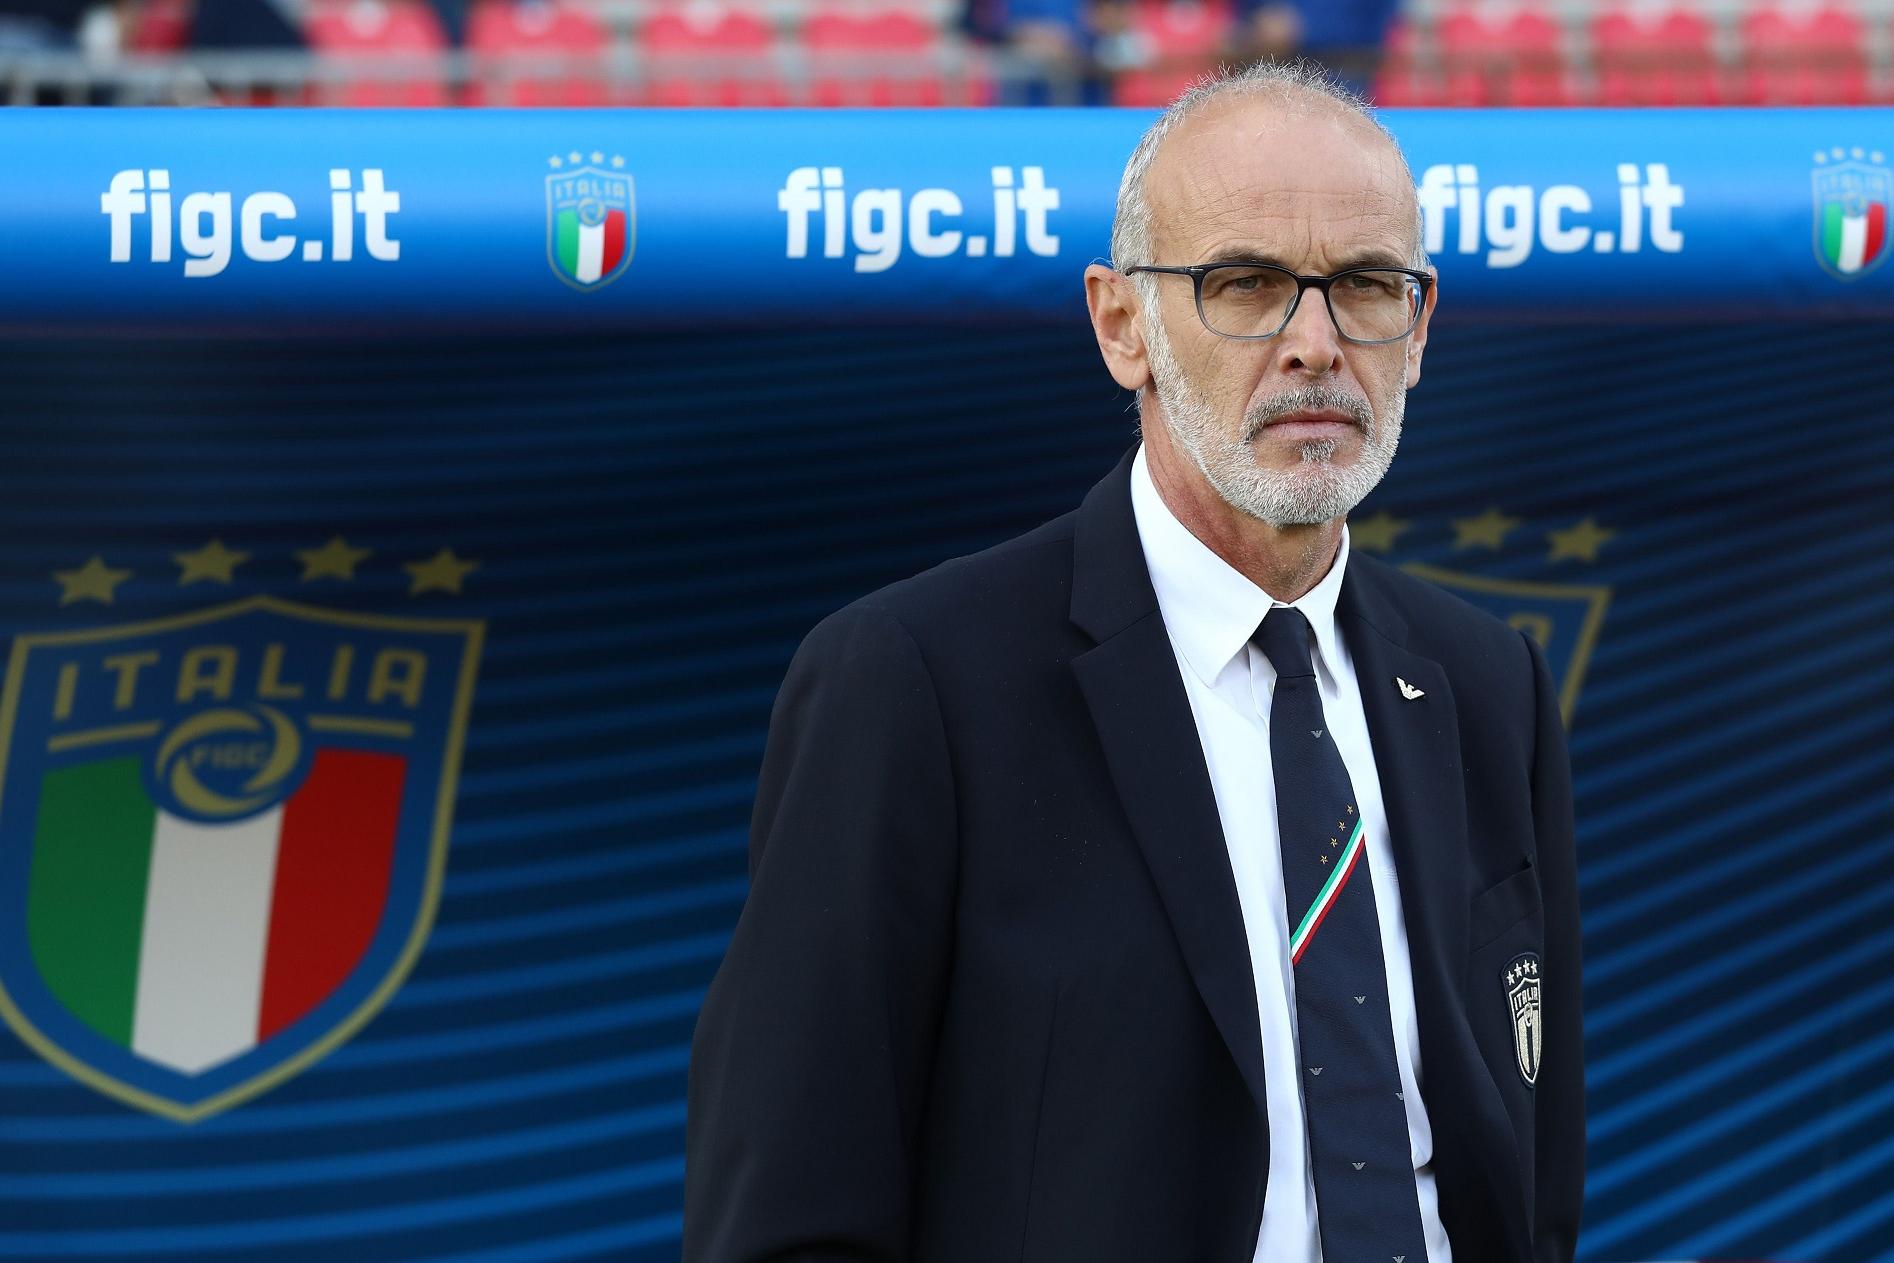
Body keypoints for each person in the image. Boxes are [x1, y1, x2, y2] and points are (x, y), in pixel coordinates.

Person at [685, 59, 1584, 1263]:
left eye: (1365, 286)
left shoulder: (1487, 688)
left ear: (1417, 329)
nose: (1314, 343)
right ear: (1123, 325)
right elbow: (790, 1216)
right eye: (1247, 283)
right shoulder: (912, 682)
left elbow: (1531, 1172)